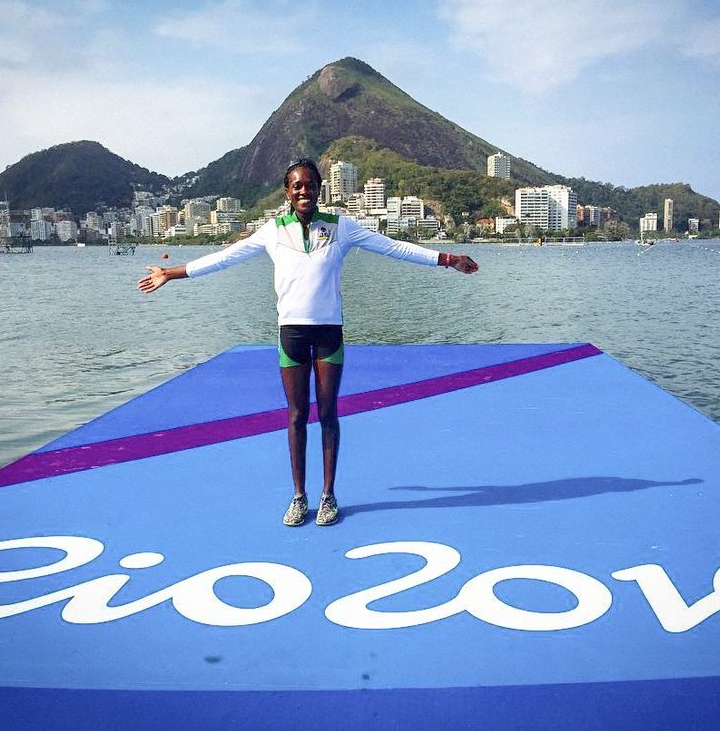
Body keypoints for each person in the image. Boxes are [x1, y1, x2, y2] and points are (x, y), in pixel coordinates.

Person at [138, 158, 478, 526]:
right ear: (288, 191)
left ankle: (328, 495)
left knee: (328, 413)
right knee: (297, 415)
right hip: (292, 335)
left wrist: (448, 258)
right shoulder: (272, 231)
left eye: (310, 185)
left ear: (319, 190)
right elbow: (225, 259)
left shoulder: (341, 228)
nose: (304, 191)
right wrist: (172, 273)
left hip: (328, 332)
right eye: (297, 186)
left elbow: (394, 247)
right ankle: (299, 497)